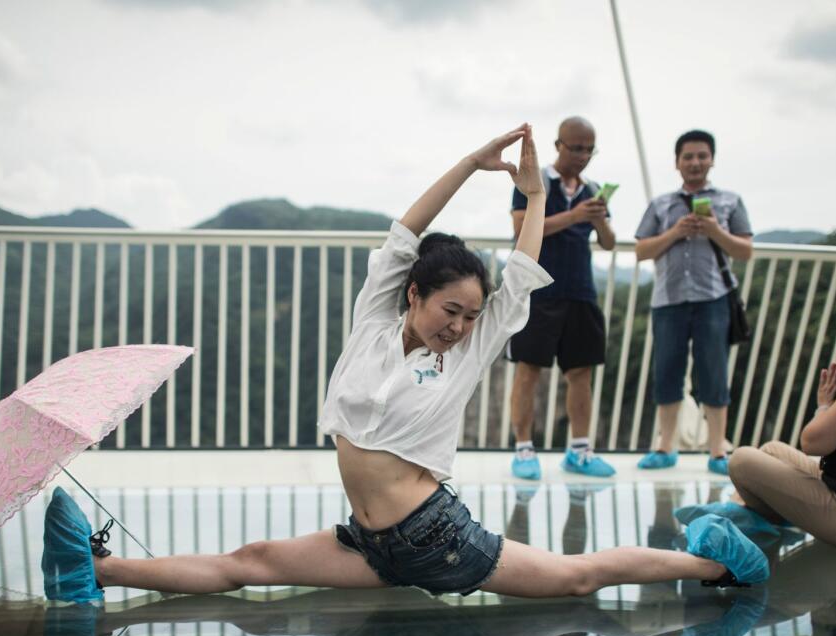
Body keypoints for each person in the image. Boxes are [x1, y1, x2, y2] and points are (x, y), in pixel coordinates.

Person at [42, 125, 769, 605]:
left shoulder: (471, 347)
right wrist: (469, 164)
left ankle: (718, 563)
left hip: (438, 540)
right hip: (372, 540)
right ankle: (94, 574)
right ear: (414, 294)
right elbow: (406, 230)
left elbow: (521, 262)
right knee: (250, 559)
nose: (459, 326)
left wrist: (536, 190)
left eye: (471, 316)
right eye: (449, 310)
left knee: (578, 577)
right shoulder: (372, 322)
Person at [677, 286, 836, 551]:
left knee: (742, 460)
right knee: (771, 450)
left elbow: (813, 443)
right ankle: (743, 512)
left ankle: (734, 519)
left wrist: (824, 406)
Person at [634, 130, 753, 476]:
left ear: (712, 159)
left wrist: (714, 230)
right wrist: (675, 232)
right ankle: (664, 446)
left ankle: (718, 449)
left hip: (712, 299)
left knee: (714, 372)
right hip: (668, 300)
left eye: (702, 156)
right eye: (688, 156)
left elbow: (744, 250)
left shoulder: (730, 201)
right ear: (677, 162)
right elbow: (641, 250)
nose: (695, 162)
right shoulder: (661, 204)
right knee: (666, 371)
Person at [507, 116, 617, 481]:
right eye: (577, 148)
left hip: (581, 290)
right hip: (538, 289)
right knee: (528, 370)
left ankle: (580, 450)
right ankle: (523, 449)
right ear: (558, 145)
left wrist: (598, 218)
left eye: (589, 149)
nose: (583, 156)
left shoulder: (594, 189)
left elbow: (609, 242)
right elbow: (522, 228)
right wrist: (574, 216)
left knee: (581, 372)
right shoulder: (534, 181)